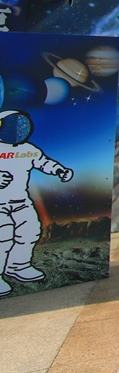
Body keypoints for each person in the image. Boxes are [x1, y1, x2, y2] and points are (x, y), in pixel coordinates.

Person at [0, 110, 73, 297]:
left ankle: (18, 266)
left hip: (21, 201)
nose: (17, 128)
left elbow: (44, 162)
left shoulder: (28, 150)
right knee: (3, 236)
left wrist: (60, 171)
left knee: (30, 231)